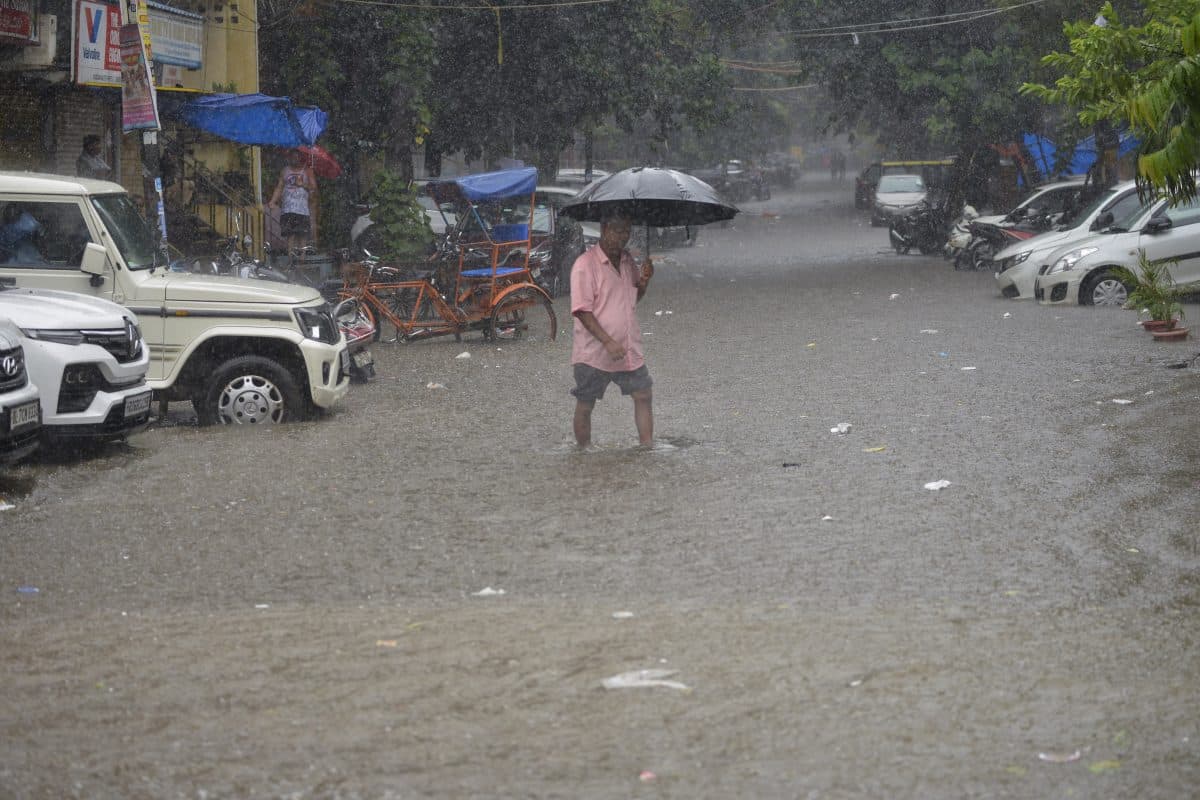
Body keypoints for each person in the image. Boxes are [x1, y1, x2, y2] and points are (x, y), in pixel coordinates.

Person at [569, 212, 655, 448]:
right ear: (604, 229)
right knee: (586, 403)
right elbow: (582, 311)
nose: (623, 236)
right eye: (618, 230)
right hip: (594, 353)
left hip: (627, 349)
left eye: (627, 231)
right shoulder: (585, 265)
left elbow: (631, 298)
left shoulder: (627, 261)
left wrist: (644, 282)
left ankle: (647, 447)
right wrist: (607, 341)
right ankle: (583, 452)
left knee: (643, 394)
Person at [268, 150, 318, 257]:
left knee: (302, 235)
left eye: (296, 156)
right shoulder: (285, 171)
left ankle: (302, 260)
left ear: (300, 157)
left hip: (302, 209)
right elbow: (279, 187)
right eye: (292, 157)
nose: (294, 159)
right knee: (290, 235)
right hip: (288, 208)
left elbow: (313, 187)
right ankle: (291, 260)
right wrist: (273, 201)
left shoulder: (307, 171)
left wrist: (302, 184)